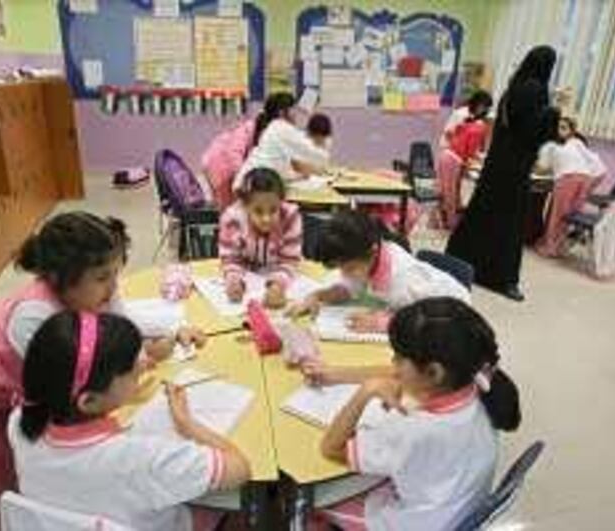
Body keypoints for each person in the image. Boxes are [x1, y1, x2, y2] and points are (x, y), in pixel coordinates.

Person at [0, 212, 204, 526]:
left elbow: (119, 318)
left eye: (115, 274)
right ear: (62, 280)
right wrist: (137, 360)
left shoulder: (89, 290)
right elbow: (73, 387)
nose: (113, 288)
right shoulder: (35, 316)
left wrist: (173, 328)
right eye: (102, 278)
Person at [9, 311, 250, 531]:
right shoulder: (142, 458)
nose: (144, 364)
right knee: (236, 505)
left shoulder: (20, 420)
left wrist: (120, 395)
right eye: (130, 368)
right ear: (89, 401)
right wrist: (187, 424)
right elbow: (240, 468)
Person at [310, 297, 521, 531]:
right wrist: (338, 375)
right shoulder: (478, 386)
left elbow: (331, 448)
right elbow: (404, 376)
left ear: (434, 372)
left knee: (314, 505)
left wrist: (365, 392)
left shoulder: (412, 430)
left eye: (399, 358)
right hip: (457, 504)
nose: (393, 363)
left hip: (419, 523)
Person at [446, 46, 561, 301]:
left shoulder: (513, 86)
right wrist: (553, 113)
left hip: (497, 163)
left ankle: (461, 260)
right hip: (515, 167)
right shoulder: (536, 89)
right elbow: (531, 130)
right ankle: (501, 278)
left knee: (483, 212)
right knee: (509, 222)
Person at [288, 210, 469, 332]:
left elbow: (420, 321)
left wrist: (380, 323)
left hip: (451, 317)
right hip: (417, 306)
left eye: (349, 268)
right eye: (339, 267)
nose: (344, 273)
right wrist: (318, 296)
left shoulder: (401, 278)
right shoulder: (364, 256)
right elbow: (348, 288)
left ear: (373, 252)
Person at [219, 167, 303, 309]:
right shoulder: (232, 220)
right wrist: (234, 281)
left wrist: (278, 285)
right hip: (247, 273)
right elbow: (230, 259)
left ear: (282, 202)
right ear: (245, 206)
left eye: (273, 210)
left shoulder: (290, 217)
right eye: (258, 211)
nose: (266, 219)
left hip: (277, 270)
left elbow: (290, 261)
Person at [534, 116, 606, 256]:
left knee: (558, 215)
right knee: (568, 215)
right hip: (584, 180)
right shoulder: (576, 143)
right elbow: (593, 163)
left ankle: (550, 248)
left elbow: (542, 167)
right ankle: (559, 246)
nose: (560, 130)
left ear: (572, 131)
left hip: (568, 181)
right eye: (558, 127)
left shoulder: (556, 146)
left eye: (564, 127)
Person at [233, 93, 330, 192]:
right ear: (282, 112)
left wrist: (299, 176)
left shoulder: (274, 127)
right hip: (253, 186)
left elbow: (281, 168)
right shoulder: (281, 128)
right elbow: (318, 156)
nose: (296, 113)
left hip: (248, 184)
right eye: (293, 109)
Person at [437, 111, 491, 229]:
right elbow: (469, 152)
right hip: (453, 159)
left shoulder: (470, 124)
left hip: (446, 155)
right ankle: (452, 224)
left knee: (447, 191)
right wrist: (477, 161)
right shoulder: (479, 129)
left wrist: (474, 159)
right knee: (451, 193)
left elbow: (457, 140)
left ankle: (443, 221)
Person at [291, 112, 334, 178]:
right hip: (302, 177)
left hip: (321, 177)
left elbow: (324, 162)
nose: (320, 139)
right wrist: (314, 170)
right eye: (317, 136)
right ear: (310, 132)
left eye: (323, 136)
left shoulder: (327, 140)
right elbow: (295, 164)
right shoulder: (300, 140)